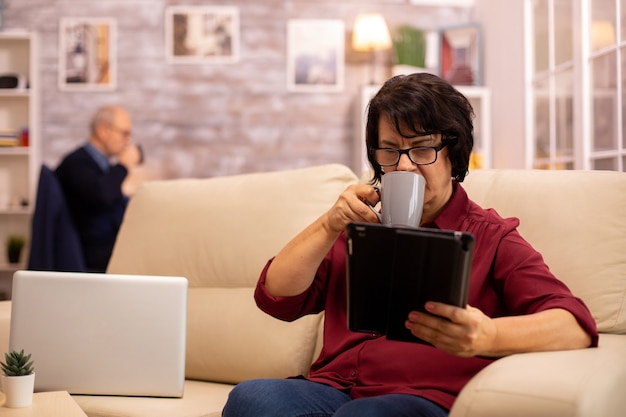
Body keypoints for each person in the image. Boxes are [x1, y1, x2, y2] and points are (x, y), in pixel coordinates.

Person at [221, 73, 598, 417]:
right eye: (390, 151)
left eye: (421, 150)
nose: (404, 167)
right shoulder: (356, 226)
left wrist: (488, 336)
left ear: (453, 154)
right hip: (332, 390)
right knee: (251, 398)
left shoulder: (491, 236)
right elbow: (276, 297)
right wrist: (329, 224)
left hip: (421, 400)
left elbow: (575, 326)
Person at [55, 105, 143, 272]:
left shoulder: (100, 165)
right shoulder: (76, 163)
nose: (128, 141)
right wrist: (124, 165)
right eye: (124, 133)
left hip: (104, 250)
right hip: (92, 255)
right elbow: (102, 194)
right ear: (103, 131)